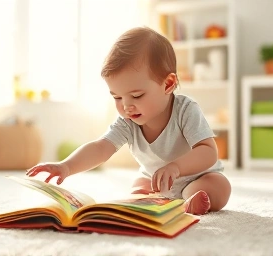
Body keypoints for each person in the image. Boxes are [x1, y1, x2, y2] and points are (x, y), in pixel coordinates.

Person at [26, 27, 231, 215]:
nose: (126, 106)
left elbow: (208, 151)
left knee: (218, 187)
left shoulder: (186, 109)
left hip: (197, 177)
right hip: (155, 181)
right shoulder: (127, 121)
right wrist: (66, 166)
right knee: (138, 186)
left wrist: (176, 167)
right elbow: (100, 148)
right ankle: (148, 201)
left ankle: (188, 203)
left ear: (167, 84)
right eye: (117, 97)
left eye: (137, 95)